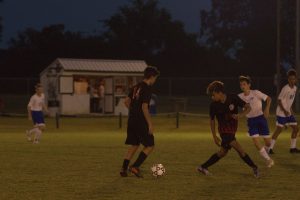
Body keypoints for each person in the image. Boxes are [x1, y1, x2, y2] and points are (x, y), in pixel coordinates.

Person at [197, 81, 259, 178]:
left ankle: (202, 167)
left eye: (213, 95)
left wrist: (240, 115)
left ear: (219, 92)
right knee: (240, 150)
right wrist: (214, 136)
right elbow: (212, 121)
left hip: (232, 130)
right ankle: (255, 168)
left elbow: (248, 107)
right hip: (224, 132)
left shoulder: (233, 98)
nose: (212, 98)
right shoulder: (213, 105)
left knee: (222, 153)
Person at [120, 66, 160, 178]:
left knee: (135, 144)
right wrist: (150, 124)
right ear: (152, 77)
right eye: (155, 78)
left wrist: (133, 112)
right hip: (140, 121)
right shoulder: (147, 88)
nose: (155, 80)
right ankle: (135, 166)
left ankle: (123, 169)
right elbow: (144, 107)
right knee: (150, 145)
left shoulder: (135, 86)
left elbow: (126, 102)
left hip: (132, 120)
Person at [238, 76, 274, 167]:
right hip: (251, 121)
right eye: (241, 84)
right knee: (256, 141)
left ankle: (265, 152)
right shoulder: (239, 97)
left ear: (249, 85)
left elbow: (269, 99)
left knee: (268, 143)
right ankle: (268, 159)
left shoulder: (256, 93)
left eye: (244, 84)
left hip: (261, 118)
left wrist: (267, 109)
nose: (242, 86)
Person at [269, 69, 300, 154]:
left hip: (288, 113)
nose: (292, 80)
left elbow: (289, 100)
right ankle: (270, 148)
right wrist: (284, 110)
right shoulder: (285, 88)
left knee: (296, 128)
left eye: (294, 79)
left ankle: (292, 148)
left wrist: (290, 110)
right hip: (281, 113)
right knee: (279, 130)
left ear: (296, 79)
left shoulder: (295, 88)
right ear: (288, 79)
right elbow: (279, 100)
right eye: (290, 79)